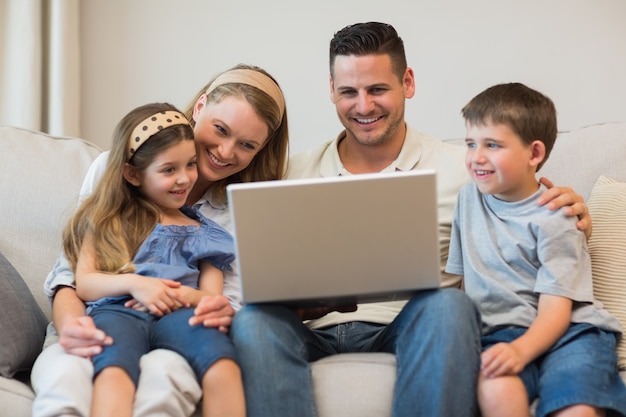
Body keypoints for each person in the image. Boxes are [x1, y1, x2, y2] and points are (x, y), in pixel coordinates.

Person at [229, 22, 592, 417]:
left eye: (378, 89)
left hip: (411, 327)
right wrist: (309, 304)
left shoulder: (466, 169)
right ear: (331, 90)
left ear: (408, 82)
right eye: (349, 92)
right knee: (253, 320)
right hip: (308, 332)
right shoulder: (290, 173)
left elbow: (527, 215)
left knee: (450, 305)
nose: (363, 106)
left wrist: (575, 213)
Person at [30, 64, 289, 417]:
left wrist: (207, 306)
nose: (227, 152)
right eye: (221, 129)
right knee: (70, 377)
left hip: (179, 328)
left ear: (261, 149)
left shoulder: (234, 216)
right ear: (200, 108)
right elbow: (73, 276)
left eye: (246, 144)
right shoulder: (115, 182)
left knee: (165, 380)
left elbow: (223, 303)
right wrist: (75, 326)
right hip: (100, 317)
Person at [445, 82, 626, 417]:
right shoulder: (468, 201)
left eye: (492, 144)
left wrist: (522, 351)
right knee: (496, 387)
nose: (477, 157)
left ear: (534, 153)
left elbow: (557, 309)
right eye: (471, 143)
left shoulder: (556, 214)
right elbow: (464, 284)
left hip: (571, 331)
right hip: (500, 332)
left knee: (578, 408)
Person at [64, 102, 245, 417]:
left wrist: (179, 295)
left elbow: (210, 299)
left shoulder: (205, 232)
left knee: (222, 363)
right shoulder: (107, 219)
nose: (185, 179)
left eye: (190, 164)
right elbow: (86, 283)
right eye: (168, 170)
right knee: (114, 371)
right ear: (133, 174)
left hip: (181, 315)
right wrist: (138, 285)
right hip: (118, 312)